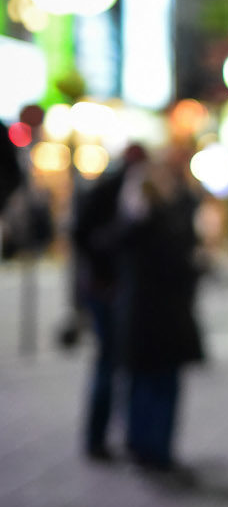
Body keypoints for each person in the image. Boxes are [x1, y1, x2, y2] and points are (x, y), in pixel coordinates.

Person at [119, 143, 205, 479]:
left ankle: (144, 447)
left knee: (146, 384)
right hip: (162, 319)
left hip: (148, 319)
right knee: (160, 386)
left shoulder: (144, 222)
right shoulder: (162, 222)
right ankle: (155, 449)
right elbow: (180, 265)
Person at [70, 142, 146, 460]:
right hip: (106, 291)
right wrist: (100, 277)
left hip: (125, 291)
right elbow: (82, 235)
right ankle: (97, 438)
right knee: (109, 364)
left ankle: (125, 436)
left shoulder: (141, 193)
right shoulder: (109, 192)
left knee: (126, 364)